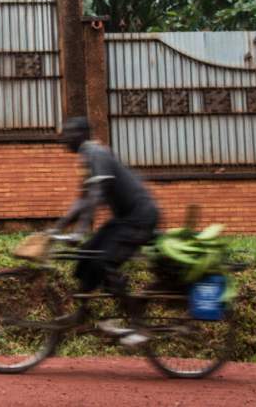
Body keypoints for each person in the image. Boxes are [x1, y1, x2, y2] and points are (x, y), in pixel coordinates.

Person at [50, 117, 159, 346]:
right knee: (86, 256)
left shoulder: (97, 154)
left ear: (81, 134)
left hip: (140, 218)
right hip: (123, 220)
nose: (64, 139)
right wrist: (55, 229)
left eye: (69, 133)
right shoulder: (87, 159)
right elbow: (81, 202)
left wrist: (79, 231)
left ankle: (138, 324)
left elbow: (96, 195)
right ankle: (82, 312)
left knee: (104, 262)